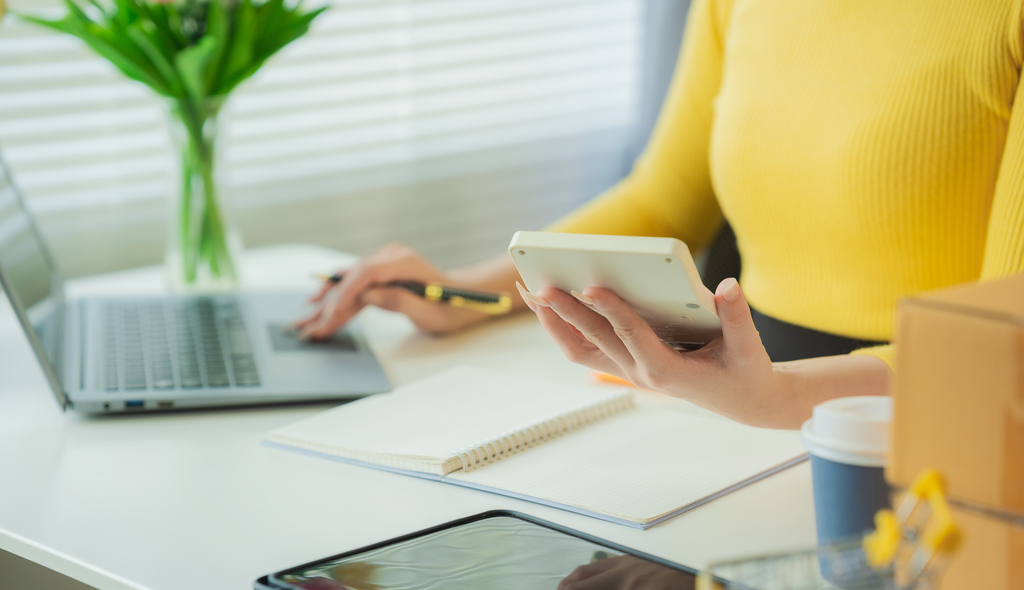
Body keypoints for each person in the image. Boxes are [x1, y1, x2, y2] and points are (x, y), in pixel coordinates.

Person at [295, 0, 1024, 429]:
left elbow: (1003, 347)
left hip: (919, 433)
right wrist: (463, 294)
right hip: (735, 414)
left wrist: (779, 398)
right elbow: (661, 199)